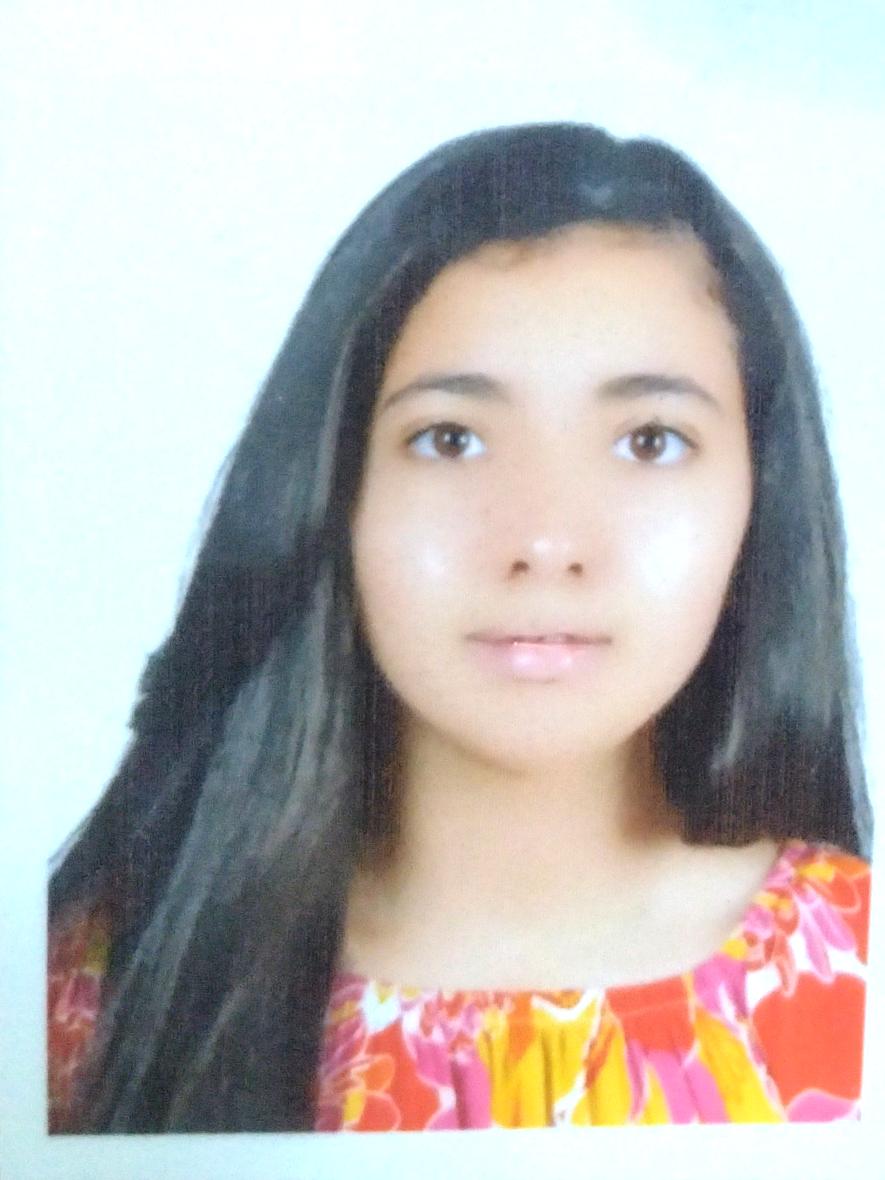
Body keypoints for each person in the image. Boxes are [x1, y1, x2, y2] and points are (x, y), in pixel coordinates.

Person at [47, 122, 873, 1133]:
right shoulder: (83, 1005)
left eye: (651, 441)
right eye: (449, 438)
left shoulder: (857, 978)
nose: (543, 541)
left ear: (761, 500)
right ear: (331, 484)